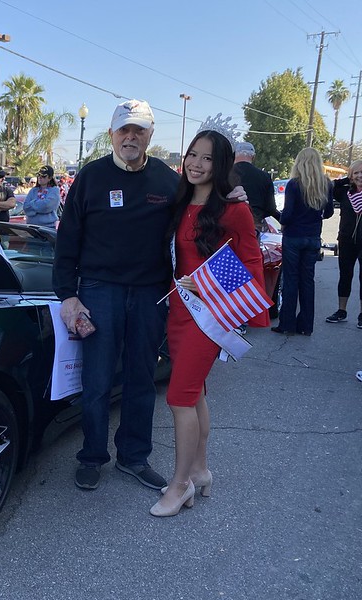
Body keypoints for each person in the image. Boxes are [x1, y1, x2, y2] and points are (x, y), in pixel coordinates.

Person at [53, 99, 179, 492]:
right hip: (98, 291)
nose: (131, 136)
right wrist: (67, 295)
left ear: (150, 135)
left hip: (149, 293)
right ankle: (92, 455)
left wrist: (236, 196)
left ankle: (134, 457)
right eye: (124, 129)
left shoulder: (169, 182)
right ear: (111, 134)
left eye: (138, 129)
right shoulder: (90, 178)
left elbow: (200, 218)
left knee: (142, 378)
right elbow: (67, 240)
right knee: (97, 380)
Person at [153, 126, 269, 517]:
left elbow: (252, 268)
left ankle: (180, 485)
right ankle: (201, 471)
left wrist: (206, 285)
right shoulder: (178, 200)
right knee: (196, 392)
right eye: (192, 155)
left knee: (178, 397)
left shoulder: (234, 210)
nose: (196, 164)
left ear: (221, 166)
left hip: (208, 318)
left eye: (207, 158)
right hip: (177, 314)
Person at [272, 147, 334, 335]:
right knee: (307, 281)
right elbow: (330, 212)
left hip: (293, 237)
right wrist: (315, 217)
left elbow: (288, 214)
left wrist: (282, 221)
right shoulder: (327, 184)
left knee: (291, 280)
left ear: (299, 162)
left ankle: (287, 324)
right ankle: (306, 326)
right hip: (313, 236)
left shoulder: (294, 184)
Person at [325, 160, 362, 328]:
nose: (360, 176)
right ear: (351, 176)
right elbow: (330, 186)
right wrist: (346, 180)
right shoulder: (345, 192)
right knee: (345, 275)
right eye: (356, 173)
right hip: (346, 239)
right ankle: (341, 310)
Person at [233, 141, 279, 232]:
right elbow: (271, 208)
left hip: (228, 223)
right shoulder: (264, 176)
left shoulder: (224, 174)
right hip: (254, 224)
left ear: (234, 155)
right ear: (253, 157)